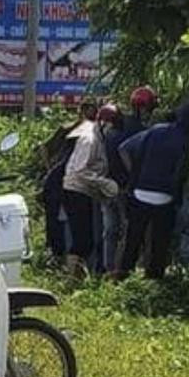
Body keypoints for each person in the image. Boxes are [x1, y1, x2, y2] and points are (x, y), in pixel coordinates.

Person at [113, 101, 189, 280]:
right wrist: (176, 196)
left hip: (140, 192)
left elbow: (130, 152)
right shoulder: (187, 140)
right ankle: (153, 280)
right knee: (159, 244)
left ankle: (122, 275)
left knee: (132, 239)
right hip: (165, 197)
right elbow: (182, 172)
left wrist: (134, 181)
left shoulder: (156, 130)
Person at [39, 102, 99, 266]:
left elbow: (44, 148)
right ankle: (65, 265)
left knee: (63, 223)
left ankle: (61, 262)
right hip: (62, 184)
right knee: (69, 226)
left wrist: (49, 168)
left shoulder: (73, 131)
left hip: (59, 181)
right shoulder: (86, 133)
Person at [61, 110, 119, 278]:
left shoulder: (97, 136)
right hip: (76, 190)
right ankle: (73, 279)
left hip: (83, 190)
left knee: (85, 239)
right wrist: (105, 183)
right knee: (82, 240)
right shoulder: (90, 140)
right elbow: (80, 171)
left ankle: (77, 277)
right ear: (103, 123)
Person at [96, 103, 128, 273]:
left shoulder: (102, 140)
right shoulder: (122, 137)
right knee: (124, 230)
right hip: (122, 188)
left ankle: (109, 267)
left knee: (110, 231)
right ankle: (118, 268)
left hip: (107, 189)